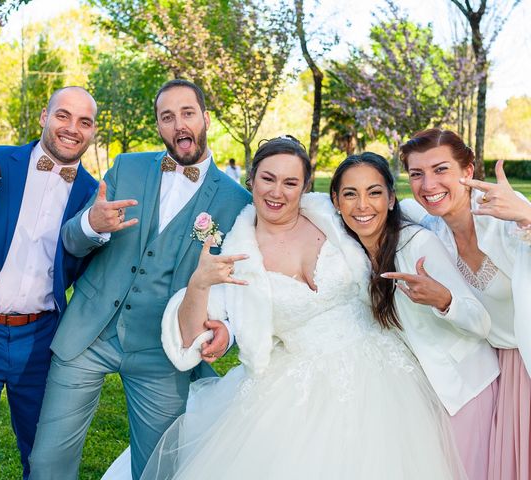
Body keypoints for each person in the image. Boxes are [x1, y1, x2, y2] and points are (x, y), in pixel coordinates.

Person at [139, 136, 466, 479]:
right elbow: (189, 340)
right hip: (296, 387)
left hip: (383, 371)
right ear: (252, 179)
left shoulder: (333, 215)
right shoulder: (237, 255)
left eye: (290, 182)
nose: (277, 192)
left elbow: (402, 211)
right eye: (268, 179)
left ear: (305, 186)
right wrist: (199, 283)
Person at [28, 79, 252, 480]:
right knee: (47, 462)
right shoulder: (127, 167)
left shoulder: (236, 202)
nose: (179, 125)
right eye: (168, 117)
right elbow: (71, 242)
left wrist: (229, 329)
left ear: (206, 118)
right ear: (159, 126)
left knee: (159, 468)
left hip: (161, 349)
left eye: (187, 113)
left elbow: (241, 278)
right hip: (88, 334)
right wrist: (91, 224)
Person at [0, 86, 99, 479]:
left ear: (93, 131)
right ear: (44, 117)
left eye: (84, 122)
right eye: (63, 116)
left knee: (42, 452)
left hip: (42, 337)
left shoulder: (92, 193)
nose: (72, 129)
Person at [330, 152, 499, 480]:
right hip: (418, 394)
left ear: (392, 199)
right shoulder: (351, 251)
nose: (362, 205)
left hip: (461, 389)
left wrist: (444, 300)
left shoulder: (417, 244)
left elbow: (481, 322)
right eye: (350, 194)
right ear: (335, 201)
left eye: (374, 192)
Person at [400, 128, 531, 480]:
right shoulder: (433, 235)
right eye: (416, 174)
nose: (428, 185)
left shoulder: (506, 215)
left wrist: (527, 215)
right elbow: (372, 207)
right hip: (498, 369)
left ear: (468, 171)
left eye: (441, 169)